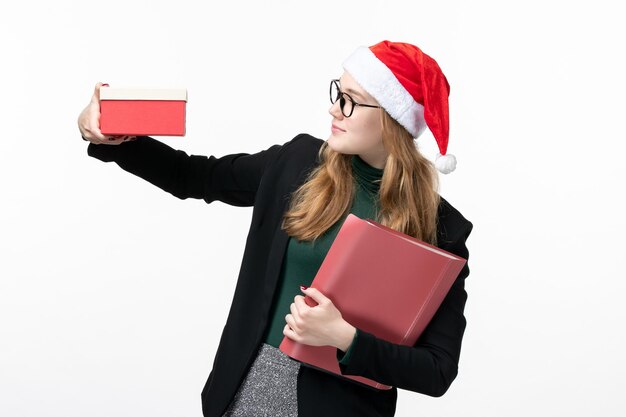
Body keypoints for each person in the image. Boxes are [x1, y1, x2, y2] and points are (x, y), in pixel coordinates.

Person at [78, 40, 473, 417]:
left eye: (350, 101)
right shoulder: (297, 164)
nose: (335, 109)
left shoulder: (440, 229)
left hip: (342, 407)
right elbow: (194, 176)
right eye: (338, 92)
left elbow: (436, 370)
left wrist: (346, 339)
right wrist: (112, 137)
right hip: (250, 389)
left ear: (390, 118)